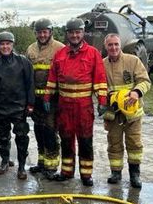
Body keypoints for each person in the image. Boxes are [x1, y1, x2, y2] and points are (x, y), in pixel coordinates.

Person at [43, 18, 108, 187]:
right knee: (66, 139)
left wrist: (102, 101)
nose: (74, 35)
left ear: (83, 33)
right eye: (71, 32)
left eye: (77, 32)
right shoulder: (60, 54)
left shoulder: (93, 53)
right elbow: (52, 78)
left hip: (84, 106)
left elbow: (100, 79)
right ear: (67, 34)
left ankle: (86, 174)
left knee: (85, 139)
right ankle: (66, 171)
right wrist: (47, 97)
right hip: (64, 105)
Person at [102, 33, 151, 189]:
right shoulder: (102, 65)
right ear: (106, 47)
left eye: (116, 44)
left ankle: (134, 174)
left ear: (120, 45)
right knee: (114, 143)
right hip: (113, 113)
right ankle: (116, 172)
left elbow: (144, 81)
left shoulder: (133, 61)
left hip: (132, 114)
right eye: (110, 45)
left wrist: (136, 92)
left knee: (134, 144)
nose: (114, 48)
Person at [0, 31, 34, 179]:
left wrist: (30, 103)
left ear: (12, 45)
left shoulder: (23, 62)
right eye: (2, 44)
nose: (5, 46)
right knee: (3, 137)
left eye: (8, 44)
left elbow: (30, 83)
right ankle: (5, 161)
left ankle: (21, 166)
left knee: (21, 138)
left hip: (19, 107)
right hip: (2, 108)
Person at [25, 17, 64, 179]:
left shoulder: (60, 49)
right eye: (39, 32)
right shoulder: (31, 49)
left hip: (52, 100)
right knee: (39, 130)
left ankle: (52, 165)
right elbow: (27, 75)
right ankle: (41, 162)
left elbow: (63, 75)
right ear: (35, 33)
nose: (42, 35)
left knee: (50, 131)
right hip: (36, 100)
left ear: (50, 32)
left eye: (45, 32)